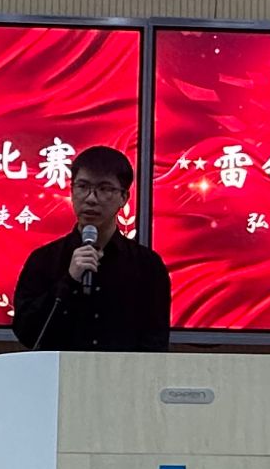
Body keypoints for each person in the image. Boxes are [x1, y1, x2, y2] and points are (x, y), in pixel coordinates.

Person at [12, 146, 170, 352]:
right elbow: (27, 333)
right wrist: (69, 280)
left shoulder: (147, 265)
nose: (91, 198)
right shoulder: (44, 259)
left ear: (124, 197)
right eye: (83, 186)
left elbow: (156, 342)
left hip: (122, 372)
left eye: (104, 189)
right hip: (59, 372)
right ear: (72, 191)